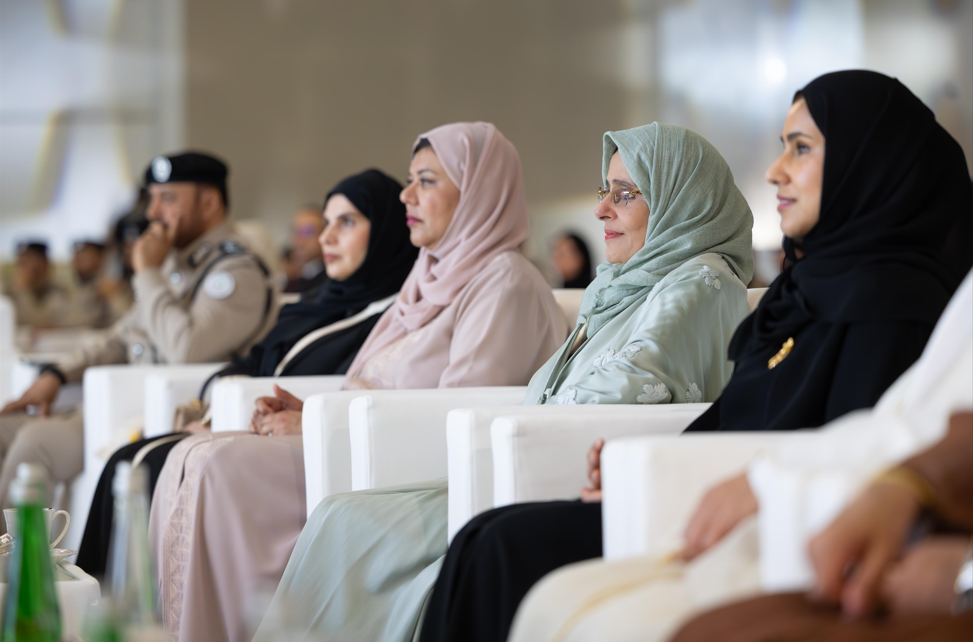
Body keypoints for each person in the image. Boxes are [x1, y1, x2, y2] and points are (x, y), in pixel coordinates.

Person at [421, 70, 973, 642]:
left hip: (770, 523)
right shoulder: (802, 290)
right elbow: (736, 413)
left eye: (801, 148)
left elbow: (849, 444)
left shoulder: (893, 305)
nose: (774, 170)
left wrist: (692, 474)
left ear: (871, 161)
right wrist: (649, 464)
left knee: (498, 548)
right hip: (708, 493)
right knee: (484, 537)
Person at [254, 121, 755, 642]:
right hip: (518, 457)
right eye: (606, 191)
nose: (601, 209)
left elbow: (630, 383)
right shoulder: (620, 288)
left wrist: (521, 426)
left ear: (682, 198)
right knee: (340, 513)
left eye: (626, 195)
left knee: (368, 533)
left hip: (561, 469)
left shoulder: (700, 281)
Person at [147, 122, 569, 642]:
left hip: (404, 463)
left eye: (428, 181)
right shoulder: (428, 276)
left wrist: (320, 423)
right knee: (187, 455)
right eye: (410, 179)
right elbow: (373, 380)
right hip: (355, 439)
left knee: (219, 465)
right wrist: (309, 410)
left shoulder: (504, 280)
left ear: (481, 191)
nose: (406, 194)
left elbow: (462, 416)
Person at [75, 168, 418, 578]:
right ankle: (101, 602)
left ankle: (130, 611)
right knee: (129, 461)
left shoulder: (389, 315)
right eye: (327, 223)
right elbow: (253, 360)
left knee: (140, 467)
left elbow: (340, 383)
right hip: (241, 420)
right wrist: (209, 411)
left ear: (386, 232)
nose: (327, 238)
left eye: (347, 223)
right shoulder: (316, 302)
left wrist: (226, 415)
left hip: (280, 435)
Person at [0, 151, 277, 529]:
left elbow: (188, 349)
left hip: (162, 415)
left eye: (168, 199)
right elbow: (120, 337)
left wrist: (147, 271)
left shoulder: (236, 271)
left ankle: (14, 573)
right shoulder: (174, 264)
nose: (152, 212)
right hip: (111, 401)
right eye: (152, 198)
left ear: (209, 202)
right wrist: (57, 375)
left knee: (36, 443)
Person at [5, 242, 70, 327]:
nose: (23, 269)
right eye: (21, 263)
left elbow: (36, 322)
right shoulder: (9, 291)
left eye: (26, 262)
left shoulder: (58, 292)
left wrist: (22, 291)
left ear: (43, 264)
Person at [282, 204, 328, 293]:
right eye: (294, 231)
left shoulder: (331, 280)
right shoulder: (285, 275)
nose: (299, 239)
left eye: (307, 232)